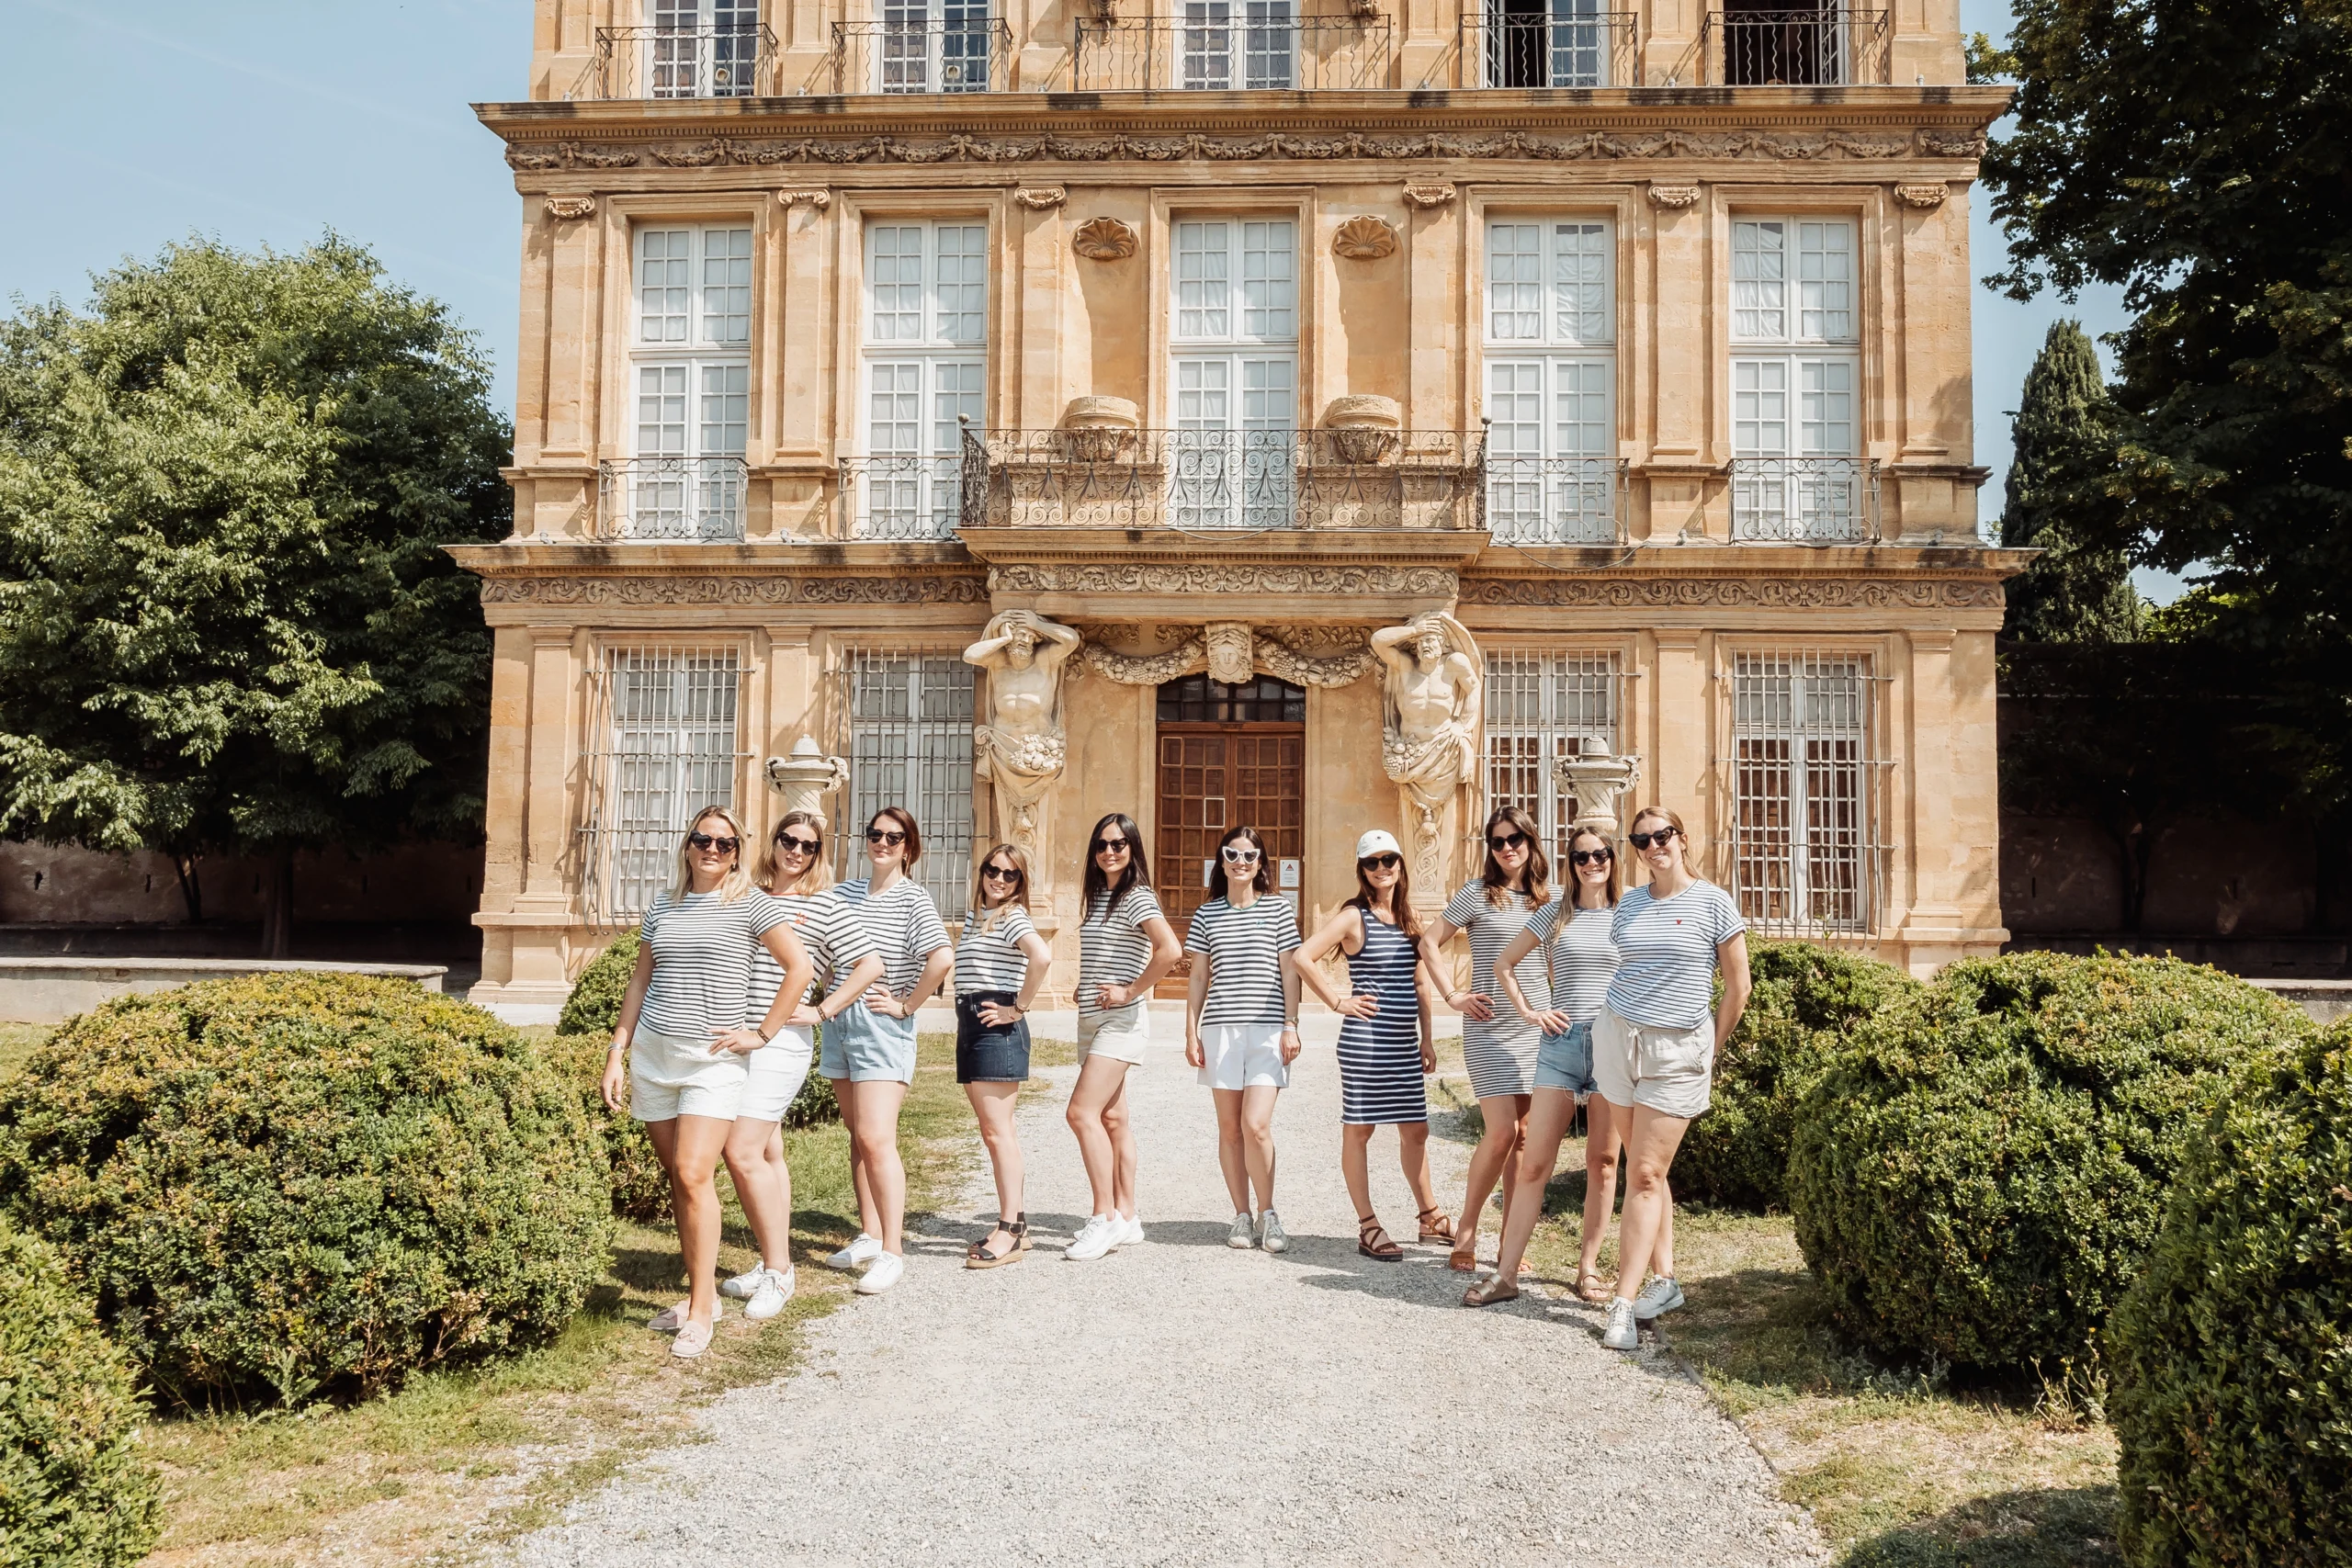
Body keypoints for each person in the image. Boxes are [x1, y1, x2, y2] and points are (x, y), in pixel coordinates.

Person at [603, 806, 812, 1359]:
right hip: (653, 1055)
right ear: (688, 845)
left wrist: (762, 1033)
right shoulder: (663, 906)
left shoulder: (750, 904)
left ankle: (700, 1310)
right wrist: (617, 1050)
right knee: (680, 1178)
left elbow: (800, 968)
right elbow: (641, 978)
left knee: (696, 1172)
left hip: (712, 1061)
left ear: (737, 852)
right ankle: (705, 1297)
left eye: (724, 843)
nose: (712, 850)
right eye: (703, 840)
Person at [717, 810, 885, 1321]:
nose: (796, 851)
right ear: (773, 841)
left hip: (779, 1042)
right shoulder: (742, 891)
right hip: (731, 1036)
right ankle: (773, 1259)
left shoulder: (825, 905)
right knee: (768, 1152)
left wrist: (823, 1008)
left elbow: (870, 964)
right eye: (788, 839)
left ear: (818, 854)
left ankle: (779, 1271)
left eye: (808, 846)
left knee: (740, 1150)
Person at [1595, 807, 1751, 1351]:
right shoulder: (1632, 902)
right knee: (1650, 1176)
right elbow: (1625, 966)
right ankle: (1664, 1283)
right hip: (1617, 1040)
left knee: (1642, 1174)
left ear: (1682, 838)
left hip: (1676, 1048)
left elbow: (1738, 986)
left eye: (1662, 836)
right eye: (1641, 840)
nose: (1653, 846)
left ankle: (1621, 1303)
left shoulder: (1712, 902)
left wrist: (1711, 1047)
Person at [1464, 825, 1630, 1306]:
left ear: (1613, 859)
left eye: (1600, 854)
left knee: (1603, 1163)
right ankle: (1507, 1274)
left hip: (1611, 1049)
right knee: (1535, 1161)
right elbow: (1504, 964)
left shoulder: (1629, 913)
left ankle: (1588, 1268)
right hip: (1559, 1047)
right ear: (1570, 862)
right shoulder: (1556, 912)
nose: (1591, 862)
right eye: (1581, 856)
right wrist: (1531, 1012)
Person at [1296, 828, 1450, 1260]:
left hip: (1404, 1041)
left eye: (1389, 860)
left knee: (1416, 1130)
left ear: (1401, 864)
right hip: (1366, 1042)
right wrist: (1338, 1002)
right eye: (1372, 862)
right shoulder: (1352, 916)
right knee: (1361, 1130)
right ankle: (1368, 1225)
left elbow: (1420, 981)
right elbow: (1302, 956)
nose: (1382, 869)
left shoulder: (1410, 918)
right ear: (1362, 870)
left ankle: (1430, 1217)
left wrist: (1428, 1037)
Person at [820, 807, 954, 1296]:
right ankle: (870, 1233)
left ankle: (893, 1251)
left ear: (908, 847)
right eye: (875, 834)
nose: (882, 842)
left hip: (881, 1025)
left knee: (877, 1137)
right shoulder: (844, 893)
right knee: (858, 1135)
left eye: (893, 837)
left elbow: (942, 957)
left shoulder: (913, 899)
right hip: (840, 1023)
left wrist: (906, 1005)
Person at [1419, 804, 1557, 1272]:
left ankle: (1509, 1247)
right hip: (1489, 1025)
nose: (1505, 849)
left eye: (1514, 839)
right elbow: (1428, 942)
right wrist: (1454, 994)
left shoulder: (1551, 898)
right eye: (1496, 842)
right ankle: (1467, 1230)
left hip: (1539, 1028)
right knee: (1500, 1132)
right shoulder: (1477, 894)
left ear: (1530, 841)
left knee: (1524, 1140)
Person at [1184, 825, 1306, 1253]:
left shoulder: (1278, 910)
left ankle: (1268, 1212)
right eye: (1232, 855)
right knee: (1229, 1128)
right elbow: (1199, 975)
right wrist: (1191, 1030)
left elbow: (1290, 971)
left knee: (1256, 1125)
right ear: (1221, 860)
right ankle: (1240, 1214)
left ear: (1261, 864)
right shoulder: (1206, 914)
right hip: (1220, 1029)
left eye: (1249, 856)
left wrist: (1292, 1024)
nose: (1240, 863)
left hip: (1269, 1028)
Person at [1066, 811, 1182, 1262]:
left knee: (1080, 1113)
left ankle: (1104, 1217)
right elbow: (1108, 952)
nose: (1109, 852)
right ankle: (1128, 1216)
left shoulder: (1137, 896)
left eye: (1118, 844)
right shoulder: (1099, 896)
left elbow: (1170, 950)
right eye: (1102, 845)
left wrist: (1131, 989)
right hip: (1093, 1018)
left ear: (1132, 849)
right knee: (1113, 1120)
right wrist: (1088, 982)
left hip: (1121, 1020)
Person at [955, 842, 1051, 1269]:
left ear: (1020, 882)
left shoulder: (1012, 917)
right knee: (992, 1130)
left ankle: (1009, 1230)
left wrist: (1019, 1008)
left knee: (998, 1132)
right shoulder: (980, 918)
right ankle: (1017, 1224)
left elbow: (1042, 957)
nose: (998, 879)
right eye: (992, 870)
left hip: (998, 1028)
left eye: (1010, 874)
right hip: (973, 1025)